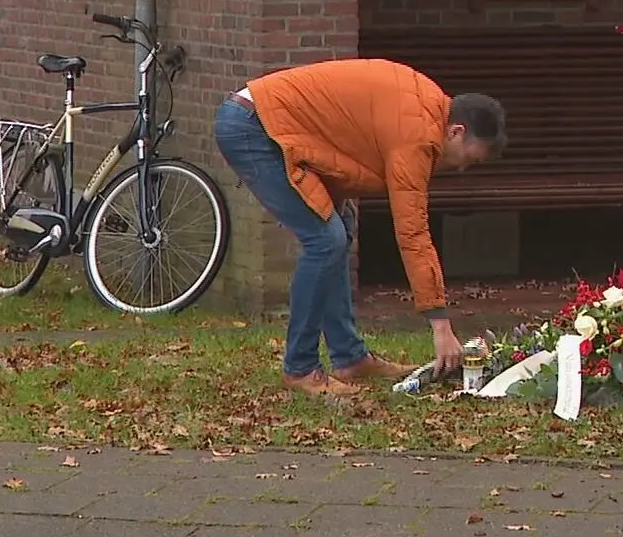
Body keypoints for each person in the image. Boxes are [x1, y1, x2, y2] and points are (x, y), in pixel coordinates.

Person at [212, 58, 507, 397]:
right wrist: (440, 324)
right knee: (325, 240)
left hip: (267, 120)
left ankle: (350, 358)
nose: (463, 169)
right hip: (255, 128)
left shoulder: (427, 104)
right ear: (457, 132)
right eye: (470, 158)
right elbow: (413, 233)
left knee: (340, 227)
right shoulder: (417, 136)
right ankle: (300, 369)